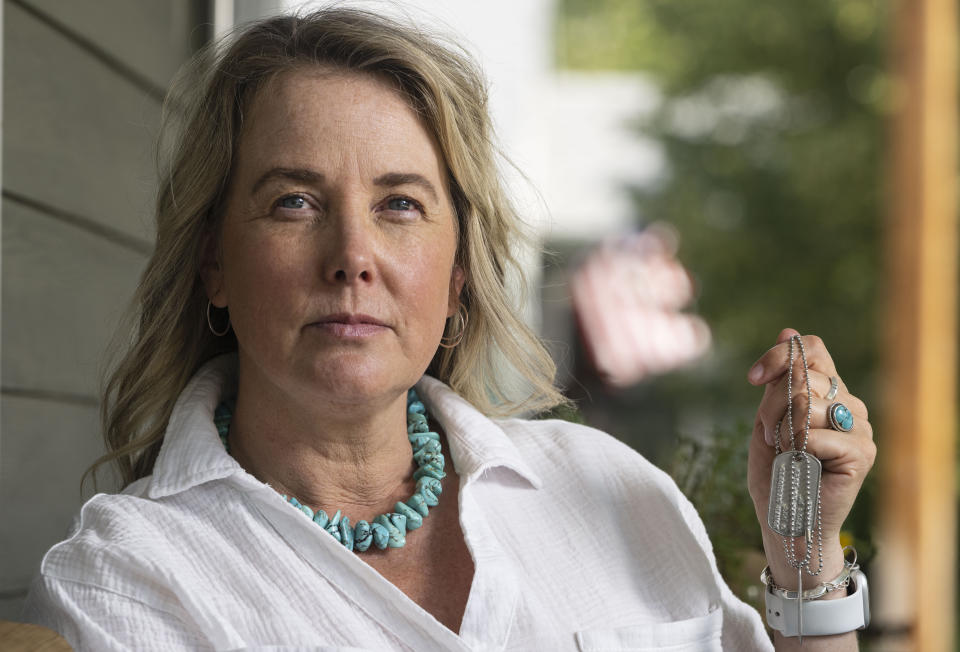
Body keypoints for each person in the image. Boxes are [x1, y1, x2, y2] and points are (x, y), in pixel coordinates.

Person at [21, 8, 876, 651]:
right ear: (213, 261)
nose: (353, 256)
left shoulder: (608, 487)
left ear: (459, 271)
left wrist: (804, 555)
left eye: (400, 204)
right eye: (295, 201)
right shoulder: (129, 579)